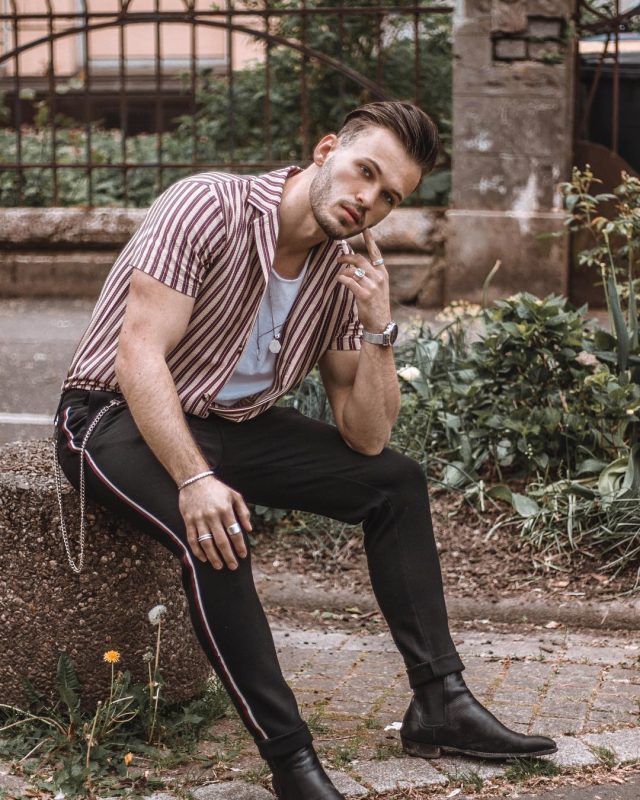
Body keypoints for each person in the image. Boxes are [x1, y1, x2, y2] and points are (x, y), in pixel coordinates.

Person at [54, 101, 557, 800]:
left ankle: (441, 702)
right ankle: (292, 763)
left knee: (396, 482)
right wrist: (195, 478)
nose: (368, 201)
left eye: (389, 197)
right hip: (113, 415)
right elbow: (140, 353)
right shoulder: (208, 205)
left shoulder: (342, 272)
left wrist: (380, 327)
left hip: (231, 423)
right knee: (218, 532)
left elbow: (367, 435)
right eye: (364, 173)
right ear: (326, 150)